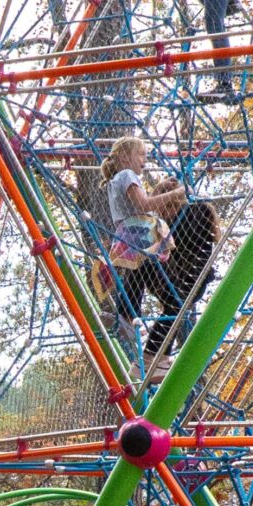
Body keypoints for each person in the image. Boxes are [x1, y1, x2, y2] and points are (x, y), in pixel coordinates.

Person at [97, 136, 184, 362]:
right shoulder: (126, 175)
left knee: (137, 278)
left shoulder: (116, 179)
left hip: (129, 235)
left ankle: (126, 315)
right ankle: (133, 326)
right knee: (159, 285)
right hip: (139, 236)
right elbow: (143, 205)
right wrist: (174, 195)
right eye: (141, 154)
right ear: (126, 156)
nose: (145, 160)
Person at [149, 200, 221, 357]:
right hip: (184, 283)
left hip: (183, 282)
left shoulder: (187, 227)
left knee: (173, 310)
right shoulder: (203, 236)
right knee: (173, 312)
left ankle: (157, 354)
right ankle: (158, 354)